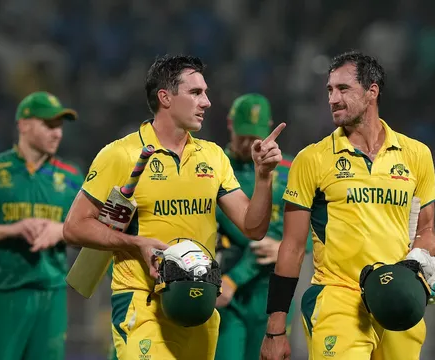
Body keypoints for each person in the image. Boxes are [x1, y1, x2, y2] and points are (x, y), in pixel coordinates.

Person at [62, 54, 286, 360]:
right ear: (165, 98)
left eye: (205, 92)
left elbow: (253, 227)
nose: (206, 102)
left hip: (199, 303)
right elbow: (74, 227)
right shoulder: (121, 154)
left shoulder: (213, 157)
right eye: (195, 93)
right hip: (143, 302)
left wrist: (263, 177)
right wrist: (135, 243)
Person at [260, 50, 435, 360]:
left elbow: (427, 230)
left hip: (399, 303)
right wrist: (276, 327)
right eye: (329, 90)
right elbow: (292, 248)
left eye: (343, 89)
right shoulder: (312, 160)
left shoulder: (417, 155)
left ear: (372, 91)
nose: (332, 98)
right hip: (339, 300)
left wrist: (418, 262)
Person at [0, 91, 83, 360]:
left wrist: (60, 231)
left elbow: (88, 234)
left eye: (59, 127)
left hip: (51, 296)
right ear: (24, 124)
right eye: (49, 125)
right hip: (3, 294)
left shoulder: (71, 178)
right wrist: (12, 229)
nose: (57, 134)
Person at [214, 93, 312, 360]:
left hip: (272, 295)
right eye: (242, 135)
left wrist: (285, 246)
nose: (248, 144)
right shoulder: (213, 167)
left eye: (255, 136)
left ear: (268, 127)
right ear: (230, 123)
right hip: (223, 290)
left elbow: (315, 230)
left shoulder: (290, 170)